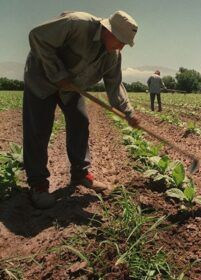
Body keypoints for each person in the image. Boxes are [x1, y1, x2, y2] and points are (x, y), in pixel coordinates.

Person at [23, 11, 141, 209]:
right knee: (39, 130)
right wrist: (58, 73)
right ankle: (39, 185)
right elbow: (37, 36)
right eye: (120, 40)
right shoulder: (76, 24)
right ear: (107, 30)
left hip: (71, 88)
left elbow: (115, 85)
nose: (121, 46)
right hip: (41, 80)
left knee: (80, 122)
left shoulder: (113, 55)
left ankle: (80, 174)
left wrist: (128, 113)